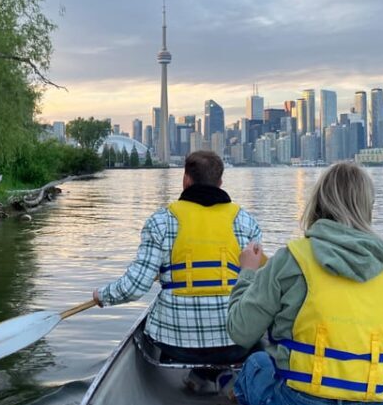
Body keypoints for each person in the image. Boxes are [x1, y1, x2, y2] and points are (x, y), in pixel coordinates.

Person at [227, 162, 383, 405]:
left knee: (256, 363)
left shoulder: (291, 258)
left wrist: (247, 273)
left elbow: (241, 331)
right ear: (368, 206)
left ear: (318, 202)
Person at [93, 150, 262, 388]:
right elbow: (258, 285)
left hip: (176, 345)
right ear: (221, 182)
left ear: (186, 179)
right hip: (235, 344)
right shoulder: (246, 222)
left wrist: (102, 296)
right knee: (257, 336)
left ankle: (204, 375)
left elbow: (135, 287)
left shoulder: (161, 221)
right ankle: (223, 376)